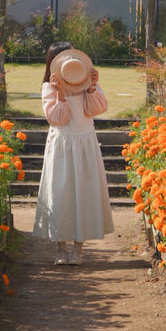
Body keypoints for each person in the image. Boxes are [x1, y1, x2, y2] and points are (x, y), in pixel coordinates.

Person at [33, 42, 114, 265]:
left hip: (85, 142)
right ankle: (60, 249)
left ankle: (78, 249)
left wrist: (91, 87)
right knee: (61, 194)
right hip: (62, 145)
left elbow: (96, 109)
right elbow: (57, 119)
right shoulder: (48, 88)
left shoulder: (87, 83)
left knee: (84, 193)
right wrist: (60, 95)